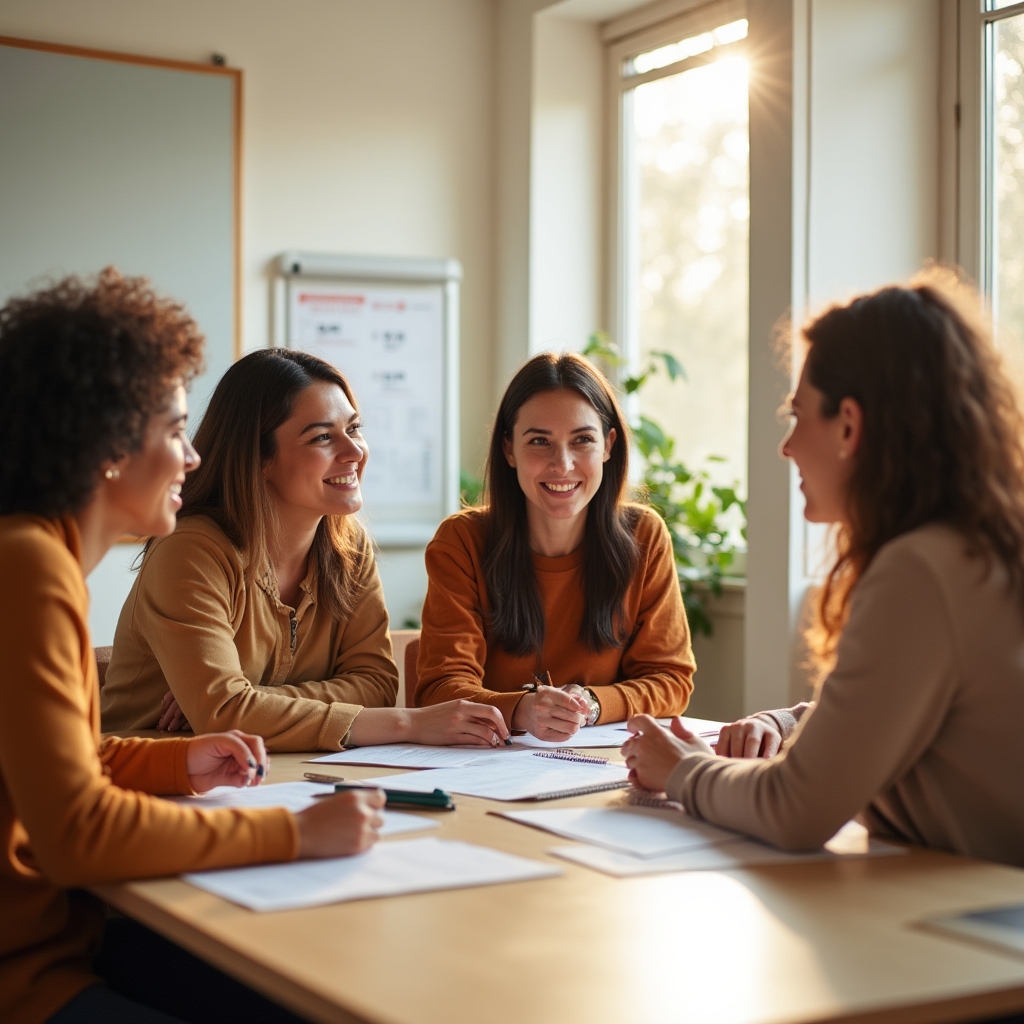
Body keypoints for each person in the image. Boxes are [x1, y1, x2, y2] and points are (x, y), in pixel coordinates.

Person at [0, 270, 385, 1024]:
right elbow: (78, 833)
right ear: (108, 444)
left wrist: (180, 759)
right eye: (174, 430)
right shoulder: (30, 568)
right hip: (30, 976)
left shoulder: (37, 556)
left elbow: (65, 763)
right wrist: (293, 831)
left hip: (64, 942)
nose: (194, 457)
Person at [622, 270, 1024, 866]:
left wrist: (684, 770)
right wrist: (793, 721)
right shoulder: (977, 545)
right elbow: (910, 701)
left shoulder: (919, 569)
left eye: (798, 414)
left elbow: (795, 809)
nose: (786, 447)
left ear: (850, 426)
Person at [101, 348, 508, 750]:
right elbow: (224, 712)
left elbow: (378, 684)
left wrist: (253, 704)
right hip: (154, 778)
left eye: (354, 428)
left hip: (282, 774)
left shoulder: (349, 548)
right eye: (322, 437)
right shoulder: (191, 551)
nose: (354, 452)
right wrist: (406, 723)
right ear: (259, 459)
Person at [414, 351, 695, 742]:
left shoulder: (644, 536)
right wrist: (521, 710)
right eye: (539, 442)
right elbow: (440, 688)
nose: (562, 464)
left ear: (609, 445)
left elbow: (671, 679)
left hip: (604, 765)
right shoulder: (461, 542)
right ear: (509, 449)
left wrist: (593, 704)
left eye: (582, 440)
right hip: (487, 763)